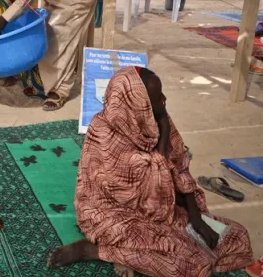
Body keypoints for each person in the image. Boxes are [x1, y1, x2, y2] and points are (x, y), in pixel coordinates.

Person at [48, 67, 254, 277]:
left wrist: (196, 218)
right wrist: (163, 141)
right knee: (192, 265)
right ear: (137, 104)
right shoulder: (103, 133)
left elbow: (181, 170)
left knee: (238, 238)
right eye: (156, 98)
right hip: (115, 216)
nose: (164, 100)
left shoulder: (156, 117)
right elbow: (147, 184)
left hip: (166, 211)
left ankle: (129, 255)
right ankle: (93, 251)